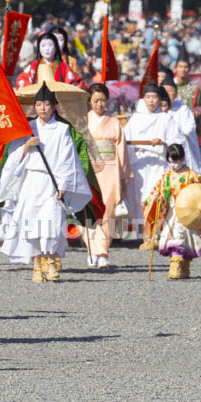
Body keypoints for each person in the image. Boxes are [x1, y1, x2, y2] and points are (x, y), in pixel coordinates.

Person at [0, 83, 93, 282]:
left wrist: (64, 184)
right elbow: (13, 157)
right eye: (39, 104)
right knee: (31, 223)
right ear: (34, 106)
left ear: (53, 106)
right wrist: (26, 146)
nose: (42, 108)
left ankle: (50, 261)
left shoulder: (62, 129)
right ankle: (36, 266)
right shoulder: (27, 128)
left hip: (52, 181)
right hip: (31, 181)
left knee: (51, 223)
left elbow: (68, 159)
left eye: (46, 104)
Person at [142, 144, 201, 279]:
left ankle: (182, 266)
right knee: (174, 235)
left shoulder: (192, 176)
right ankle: (176, 265)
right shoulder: (166, 176)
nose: (173, 165)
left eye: (175, 161)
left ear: (183, 159)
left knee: (186, 237)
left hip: (189, 211)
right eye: (170, 162)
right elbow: (157, 191)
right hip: (172, 211)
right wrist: (155, 198)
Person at [124, 82, 182, 246]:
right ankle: (143, 234)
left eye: (154, 97)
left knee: (156, 198)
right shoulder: (135, 119)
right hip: (139, 164)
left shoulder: (165, 118)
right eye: (148, 97)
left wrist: (164, 142)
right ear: (143, 99)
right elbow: (124, 140)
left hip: (157, 164)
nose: (151, 101)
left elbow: (177, 141)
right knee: (138, 199)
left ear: (159, 99)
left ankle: (154, 234)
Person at [84, 82, 129, 268]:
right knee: (88, 211)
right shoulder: (83, 122)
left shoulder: (115, 123)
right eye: (96, 100)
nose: (100, 104)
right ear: (89, 101)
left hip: (110, 170)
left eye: (103, 100)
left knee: (107, 212)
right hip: (88, 170)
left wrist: (123, 175)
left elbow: (121, 151)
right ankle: (91, 250)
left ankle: (102, 252)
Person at [162, 75, 201, 173]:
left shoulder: (183, 109)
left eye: (171, 92)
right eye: (165, 92)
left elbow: (188, 129)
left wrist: (174, 136)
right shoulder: (158, 111)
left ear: (176, 94)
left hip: (180, 152)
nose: (167, 95)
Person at [14, 32, 82, 89]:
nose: (47, 49)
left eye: (50, 45)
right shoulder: (33, 66)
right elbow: (21, 80)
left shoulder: (63, 67)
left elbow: (75, 83)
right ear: (39, 48)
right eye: (43, 45)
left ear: (56, 47)